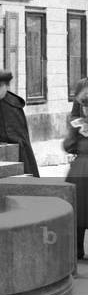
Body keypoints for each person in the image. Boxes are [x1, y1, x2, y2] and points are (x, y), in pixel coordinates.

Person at [0, 68, 40, 177]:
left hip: (17, 154)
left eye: (0, 86)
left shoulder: (14, 105)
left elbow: (22, 138)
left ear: (7, 86)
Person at [64, 78, 88, 259]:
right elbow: (74, 114)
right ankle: (77, 247)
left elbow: (69, 143)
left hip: (81, 162)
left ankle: (77, 248)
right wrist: (80, 125)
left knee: (78, 203)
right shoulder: (82, 84)